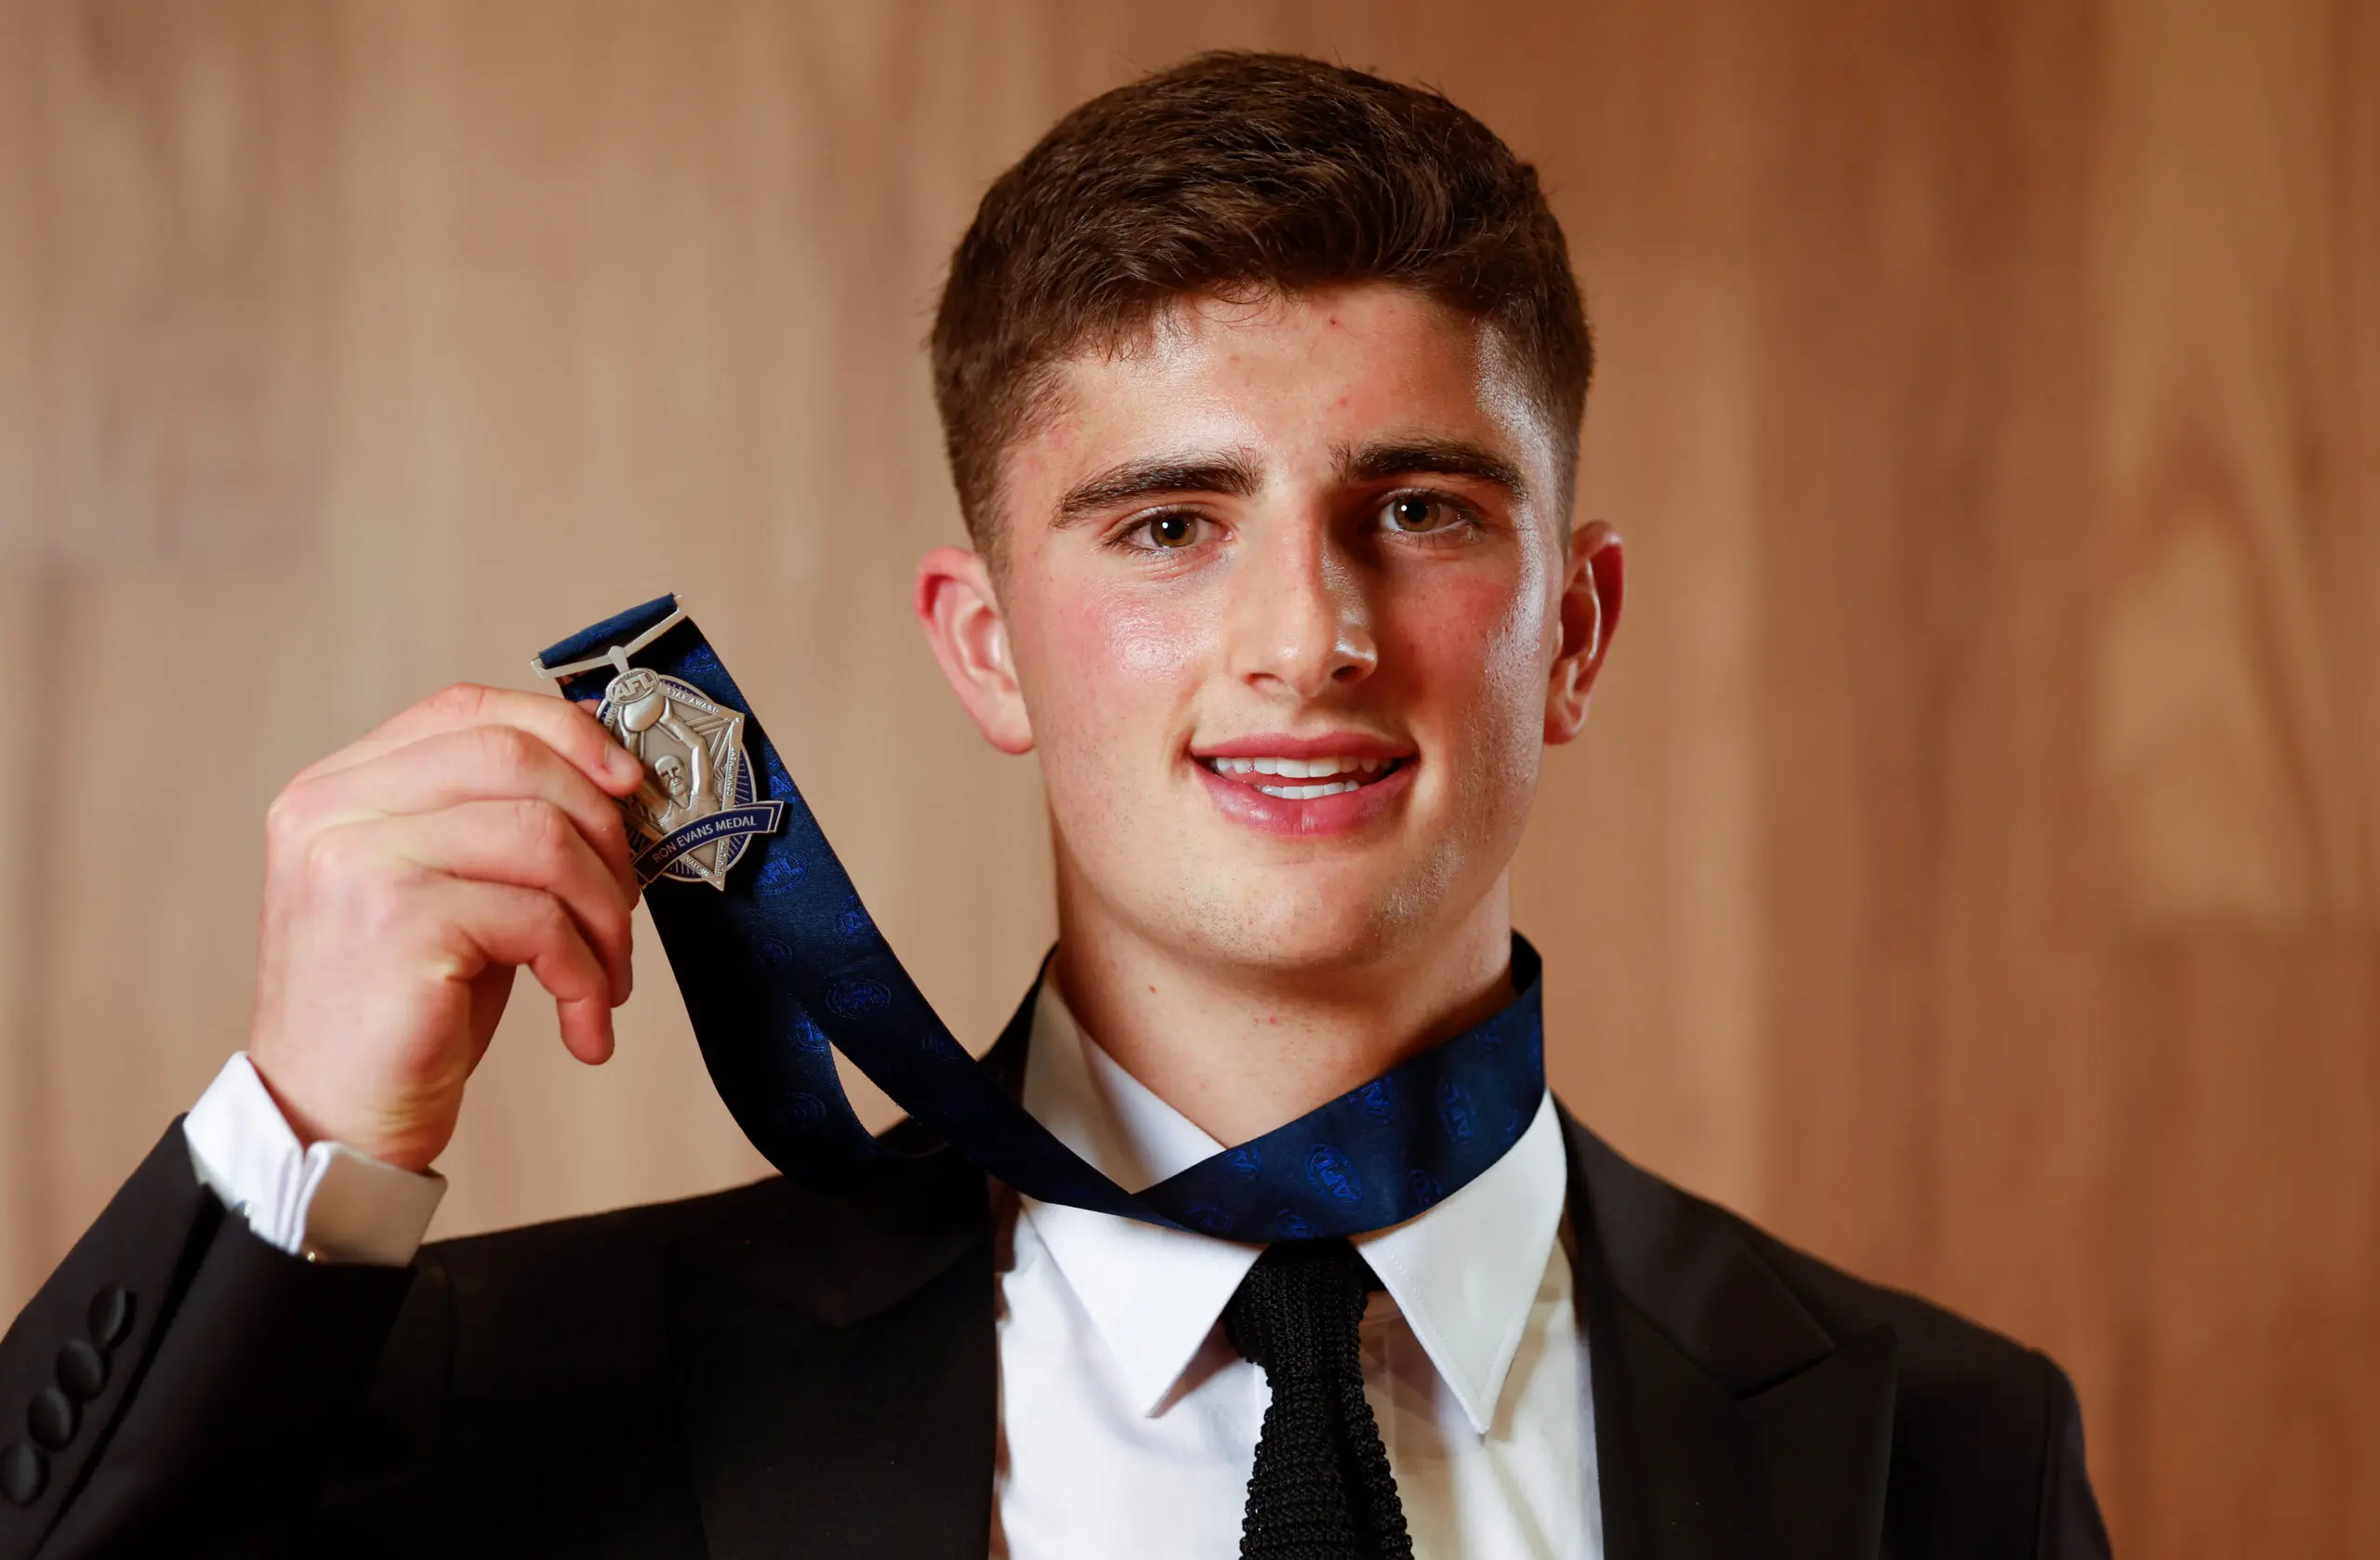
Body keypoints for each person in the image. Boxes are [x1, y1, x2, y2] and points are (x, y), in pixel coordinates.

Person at [0, 51, 2109, 1560]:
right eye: (1170, 523)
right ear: (989, 646)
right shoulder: (520, 1387)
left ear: (1574, 626)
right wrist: (294, 1142)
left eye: (1417, 509)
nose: (1307, 635)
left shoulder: (1946, 1453)